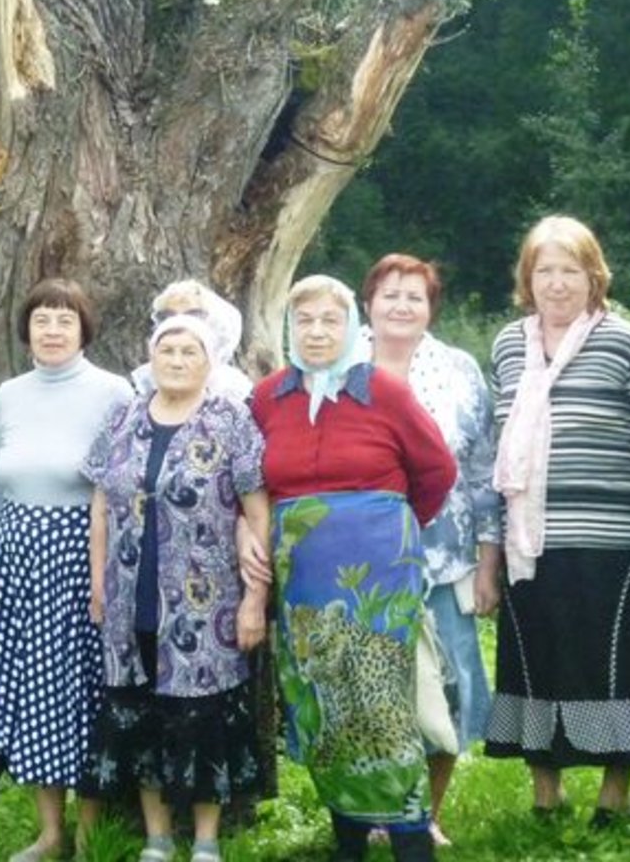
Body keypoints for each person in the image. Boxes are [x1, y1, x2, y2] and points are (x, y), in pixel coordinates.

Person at [247, 274, 456, 862]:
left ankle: (412, 836)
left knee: (385, 701)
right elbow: (252, 481)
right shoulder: (268, 397)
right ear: (290, 329)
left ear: (350, 328)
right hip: (305, 577)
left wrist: (392, 530)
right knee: (320, 697)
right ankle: (349, 833)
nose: (317, 331)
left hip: (379, 574)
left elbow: (437, 471)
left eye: (329, 320)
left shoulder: (383, 391)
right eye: (305, 320)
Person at [79, 313, 269, 862]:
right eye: (168, 351)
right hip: (128, 598)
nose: (178, 361)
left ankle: (206, 838)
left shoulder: (230, 420)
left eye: (190, 352)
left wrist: (256, 598)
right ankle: (157, 836)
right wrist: (99, 584)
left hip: (205, 605)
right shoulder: (122, 418)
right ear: (151, 358)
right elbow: (100, 509)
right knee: (139, 715)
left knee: (200, 720)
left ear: (210, 362)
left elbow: (257, 512)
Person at [485, 215, 630, 826]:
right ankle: (546, 792)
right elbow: (496, 443)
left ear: (595, 277)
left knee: (607, 662)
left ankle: (614, 794)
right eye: (544, 270)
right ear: (528, 279)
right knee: (539, 657)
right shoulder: (508, 345)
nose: (557, 284)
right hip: (528, 538)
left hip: (608, 539)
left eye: (570, 271)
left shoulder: (625, 342)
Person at [0, 279, 132, 862]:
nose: (51, 330)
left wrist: (109, 572)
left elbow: (120, 489)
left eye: (64, 321)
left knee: (84, 687)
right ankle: (50, 831)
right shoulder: (10, 395)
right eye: (41, 319)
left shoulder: (112, 392)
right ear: (27, 331)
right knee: (31, 687)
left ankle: (93, 827)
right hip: (19, 558)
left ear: (83, 330)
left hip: (82, 557)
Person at [362, 253, 501, 848]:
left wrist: (490, 557)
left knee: (447, 687)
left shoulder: (460, 370)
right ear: (368, 302)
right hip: (359, 563)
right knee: (368, 690)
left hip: (444, 560)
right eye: (389, 293)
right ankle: (369, 812)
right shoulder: (339, 365)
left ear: (430, 308)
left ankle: (427, 812)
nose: (401, 305)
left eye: (414, 296)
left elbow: (482, 468)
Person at [128, 278, 253, 402]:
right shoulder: (142, 386)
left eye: (193, 315)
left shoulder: (234, 391)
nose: (180, 321)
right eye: (167, 316)